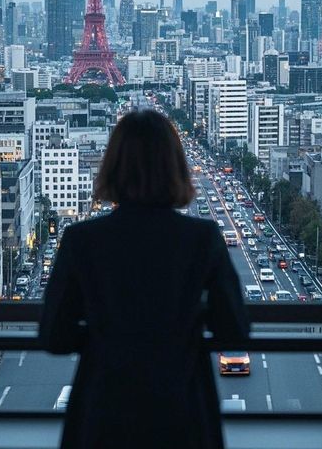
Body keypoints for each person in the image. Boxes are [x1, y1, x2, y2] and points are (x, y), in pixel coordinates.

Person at [40, 109, 249, 449]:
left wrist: (102, 329)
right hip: (181, 411)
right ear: (175, 167)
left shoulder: (82, 240)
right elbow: (234, 330)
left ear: (112, 166)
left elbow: (55, 336)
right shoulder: (203, 238)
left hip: (103, 412)